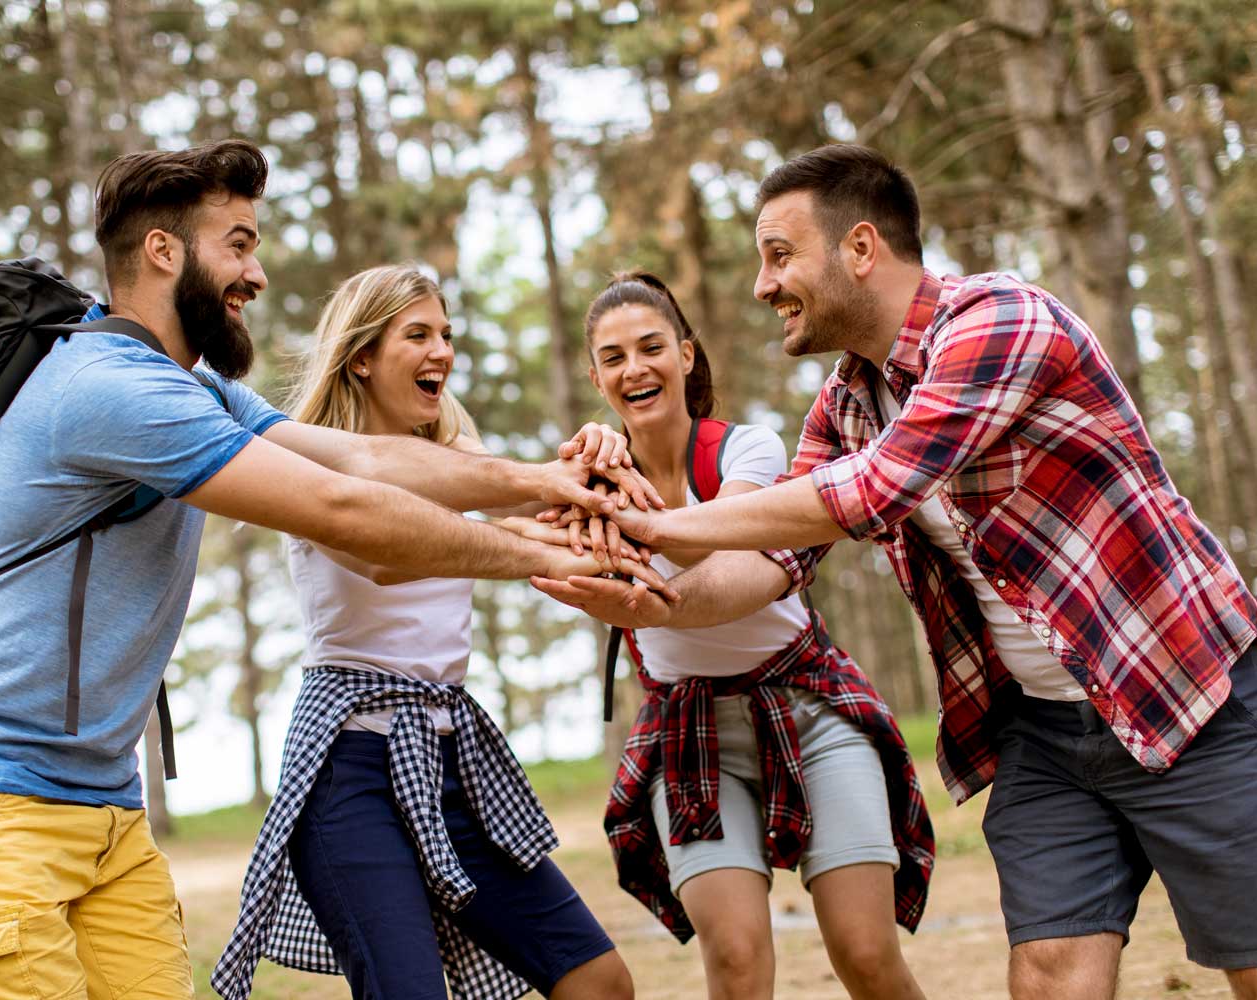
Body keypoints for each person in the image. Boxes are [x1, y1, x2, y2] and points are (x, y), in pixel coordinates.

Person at [0, 139, 668, 999]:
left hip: (100, 806)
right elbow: (344, 511)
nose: (258, 273)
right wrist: (557, 548)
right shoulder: (111, 387)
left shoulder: (195, 388)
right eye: (238, 244)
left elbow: (366, 463)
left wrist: (544, 481)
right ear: (165, 252)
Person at [537, 144, 1257, 1000]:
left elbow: (874, 488)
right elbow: (772, 565)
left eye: (779, 256)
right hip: (1045, 735)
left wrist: (652, 523)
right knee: (1051, 973)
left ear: (861, 248)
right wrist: (639, 596)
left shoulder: (1000, 320)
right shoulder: (847, 400)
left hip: (1185, 694)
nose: (764, 286)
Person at [213, 263, 635, 1000]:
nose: (441, 350)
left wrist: (591, 456)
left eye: (446, 334)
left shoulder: (455, 449)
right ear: (364, 356)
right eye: (418, 334)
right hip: (349, 763)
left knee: (597, 982)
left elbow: (537, 502)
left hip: (448, 752)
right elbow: (383, 555)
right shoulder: (305, 461)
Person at [573, 271, 931, 1000]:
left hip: (809, 710)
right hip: (690, 729)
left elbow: (725, 547)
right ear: (596, 378)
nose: (634, 369)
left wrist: (635, 518)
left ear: (687, 355)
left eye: (650, 348)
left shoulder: (749, 449)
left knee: (864, 952)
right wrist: (585, 487)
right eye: (613, 358)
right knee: (736, 962)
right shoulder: (588, 481)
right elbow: (596, 597)